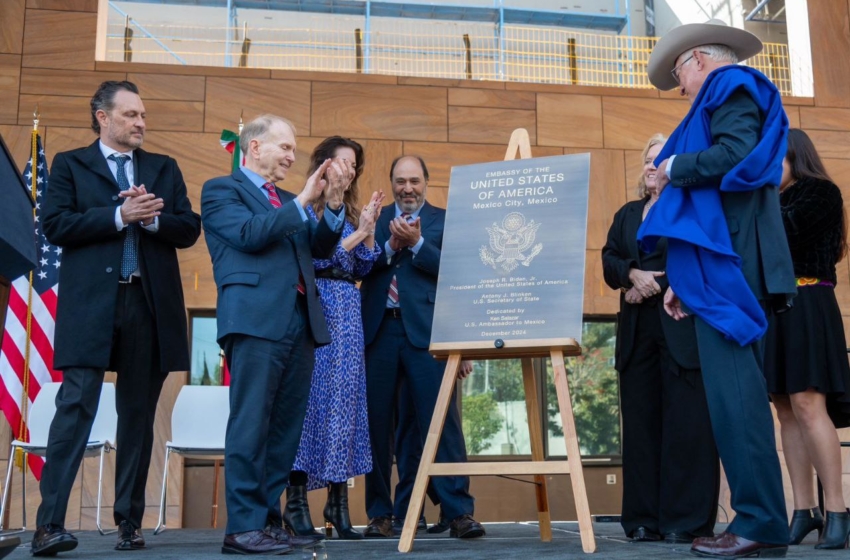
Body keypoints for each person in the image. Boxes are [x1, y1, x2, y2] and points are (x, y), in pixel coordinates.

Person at [640, 19, 797, 558]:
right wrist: (687, 281)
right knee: (733, 400)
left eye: (680, 73)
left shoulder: (732, 86)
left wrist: (672, 166)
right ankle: (761, 520)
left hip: (736, 261)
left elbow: (736, 157)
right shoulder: (725, 90)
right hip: (723, 261)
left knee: (738, 399)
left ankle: (760, 522)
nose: (681, 87)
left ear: (700, 61)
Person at [35, 80, 201, 556]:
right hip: (91, 307)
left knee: (137, 416)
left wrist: (150, 220)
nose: (141, 123)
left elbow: (188, 228)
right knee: (76, 408)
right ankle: (50, 526)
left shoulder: (163, 168)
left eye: (143, 115)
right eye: (131, 115)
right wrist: (118, 216)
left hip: (148, 306)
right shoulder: (70, 164)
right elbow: (54, 225)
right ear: (102, 117)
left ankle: (129, 522)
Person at [201, 115, 354, 556]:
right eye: (284, 147)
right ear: (253, 148)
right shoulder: (221, 191)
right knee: (251, 425)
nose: (292, 156)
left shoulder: (290, 199)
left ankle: (266, 522)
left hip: (299, 323)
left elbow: (320, 248)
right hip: (254, 321)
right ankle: (242, 527)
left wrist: (336, 204)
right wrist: (304, 199)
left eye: (292, 149)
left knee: (284, 431)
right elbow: (249, 235)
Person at [359, 155, 484, 539]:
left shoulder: (444, 221)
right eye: (400, 181)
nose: (407, 188)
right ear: (392, 183)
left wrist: (417, 245)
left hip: (428, 335)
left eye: (414, 180)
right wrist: (391, 246)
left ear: (426, 182)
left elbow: (459, 274)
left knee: (441, 421)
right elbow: (359, 267)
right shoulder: (374, 221)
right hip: (379, 333)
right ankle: (381, 514)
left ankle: (458, 511)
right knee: (377, 425)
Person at [602, 133, 719, 544]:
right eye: (649, 159)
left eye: (662, 158)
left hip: (680, 324)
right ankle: (642, 520)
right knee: (641, 427)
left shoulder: (691, 207)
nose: (653, 165)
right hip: (637, 332)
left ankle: (683, 521)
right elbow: (609, 258)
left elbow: (701, 255)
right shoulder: (628, 213)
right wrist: (632, 275)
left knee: (686, 426)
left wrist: (655, 284)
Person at [283, 136, 384, 541]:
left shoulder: (354, 210)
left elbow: (363, 265)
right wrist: (358, 233)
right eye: (342, 161)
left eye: (353, 164)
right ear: (323, 164)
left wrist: (370, 232)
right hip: (319, 303)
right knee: (312, 404)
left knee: (346, 404)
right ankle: (295, 505)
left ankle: (338, 506)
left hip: (348, 308)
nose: (348, 169)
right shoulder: (307, 206)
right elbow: (317, 256)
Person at [765, 128, 850, 549]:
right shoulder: (770, 199)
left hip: (809, 301)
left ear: (793, 155)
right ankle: (804, 510)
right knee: (784, 408)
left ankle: (837, 510)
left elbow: (784, 232)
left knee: (808, 403)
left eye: (772, 158)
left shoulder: (820, 193)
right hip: (774, 309)